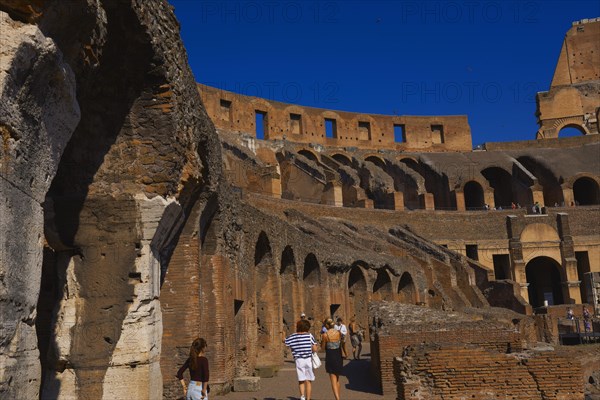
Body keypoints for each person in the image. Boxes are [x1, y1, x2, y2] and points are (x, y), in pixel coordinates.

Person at [284, 319, 318, 400]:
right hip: (308, 360)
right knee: (308, 380)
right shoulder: (309, 336)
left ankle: (302, 396)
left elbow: (285, 342)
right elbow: (315, 349)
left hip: (299, 360)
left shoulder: (293, 336)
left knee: (301, 380)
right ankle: (308, 398)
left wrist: (283, 333)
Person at [321, 318, 343, 400]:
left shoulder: (325, 335)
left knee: (333, 380)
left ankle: (337, 399)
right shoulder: (338, 333)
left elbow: (322, 348)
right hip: (338, 355)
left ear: (326, 325)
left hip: (330, 356)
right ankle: (338, 397)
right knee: (337, 379)